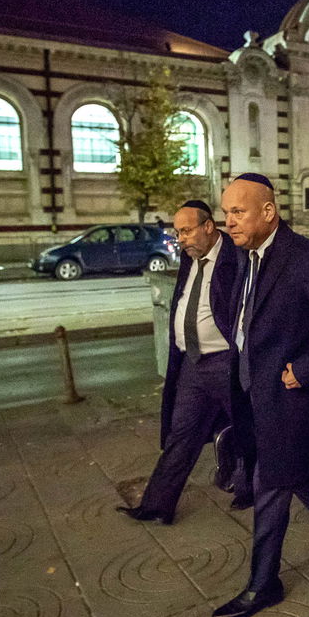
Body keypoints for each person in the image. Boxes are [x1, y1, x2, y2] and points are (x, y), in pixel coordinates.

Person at [210, 174, 309, 617]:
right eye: (226, 212)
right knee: (301, 476)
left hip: (289, 402)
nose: (228, 221)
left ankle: (262, 584)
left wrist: (306, 369)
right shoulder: (246, 256)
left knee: (270, 488)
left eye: (237, 212)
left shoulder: (304, 258)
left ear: (268, 212)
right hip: (253, 394)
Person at [118, 201, 244, 524]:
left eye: (186, 231)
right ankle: (157, 505)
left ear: (208, 227)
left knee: (251, 428)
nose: (181, 239)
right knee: (181, 435)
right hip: (192, 364)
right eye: (178, 232)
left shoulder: (236, 258)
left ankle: (257, 487)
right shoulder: (191, 259)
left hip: (225, 363)